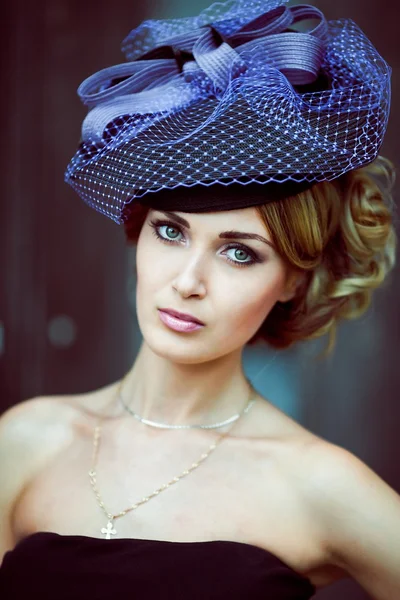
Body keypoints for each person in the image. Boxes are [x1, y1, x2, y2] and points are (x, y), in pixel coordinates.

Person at [1, 0, 399, 598]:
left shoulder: (315, 482)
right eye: (171, 231)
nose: (188, 280)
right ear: (136, 231)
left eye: (240, 252)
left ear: (293, 280)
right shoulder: (26, 439)